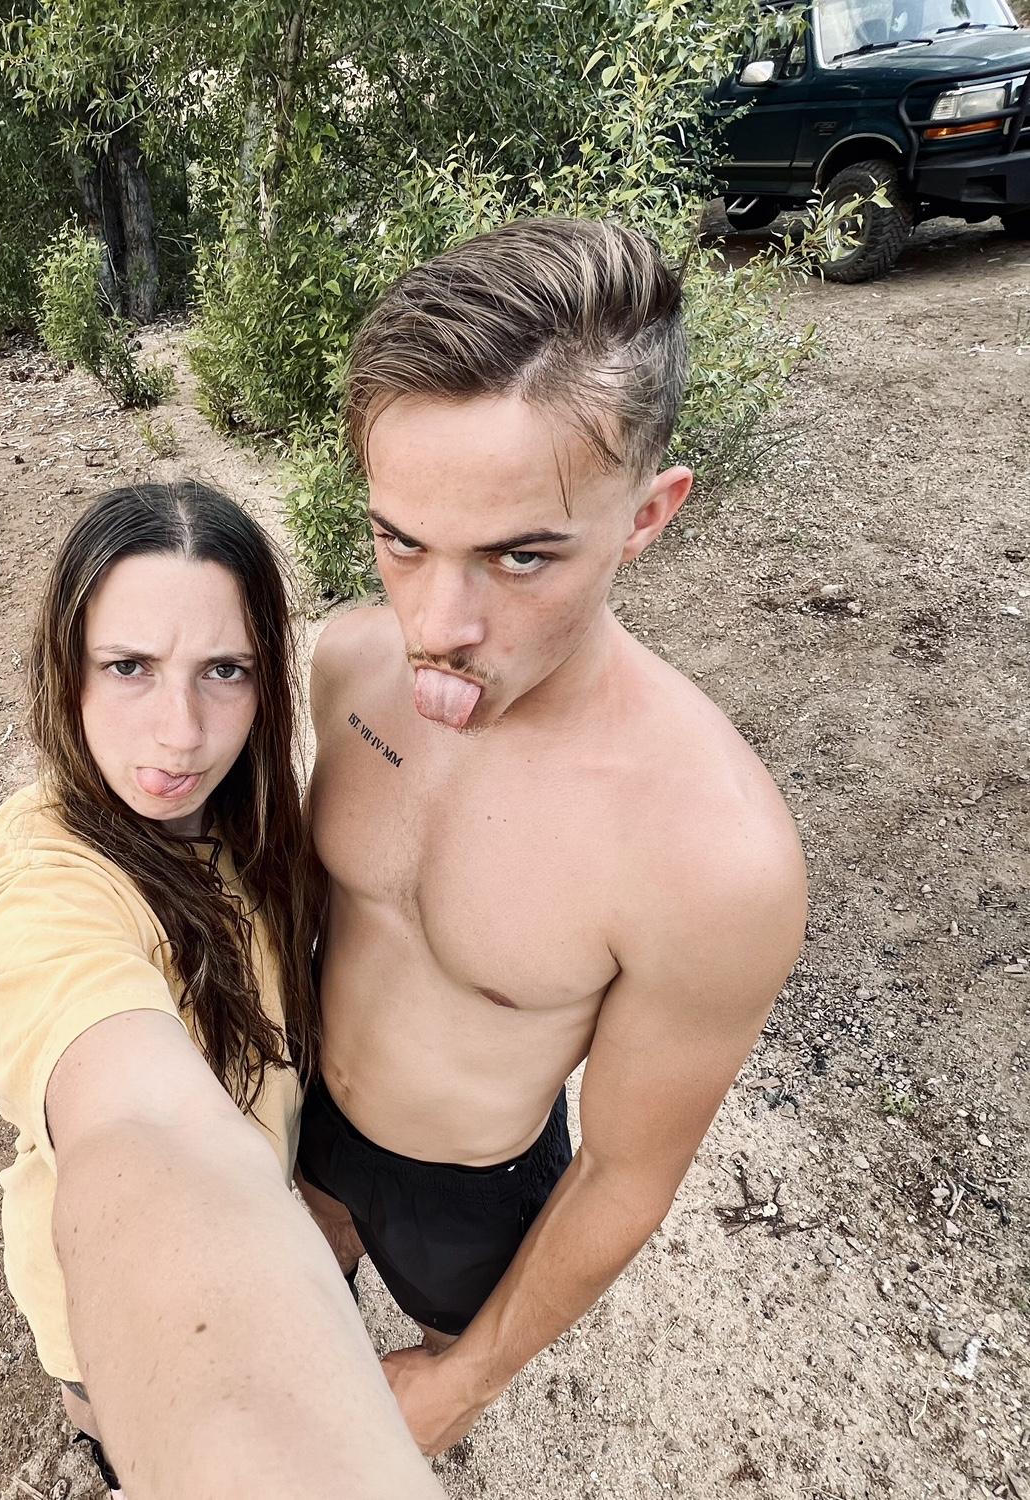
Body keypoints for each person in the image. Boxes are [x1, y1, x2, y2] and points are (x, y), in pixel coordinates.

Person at [295, 216, 810, 1456]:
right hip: (302, 1113)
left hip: (473, 1189)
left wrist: (463, 1384)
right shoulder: (347, 661)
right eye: (401, 540)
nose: (438, 625)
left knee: (427, 1394)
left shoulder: (712, 857)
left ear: (649, 515)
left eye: (521, 556)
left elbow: (626, 1177)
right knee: (300, 1321)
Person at [0, 481, 443, 1499]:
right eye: (128, 667)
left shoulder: (252, 820)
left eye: (224, 670)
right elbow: (140, 1126)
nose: (181, 735)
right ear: (64, 670)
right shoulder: (40, 883)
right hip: (115, 1323)